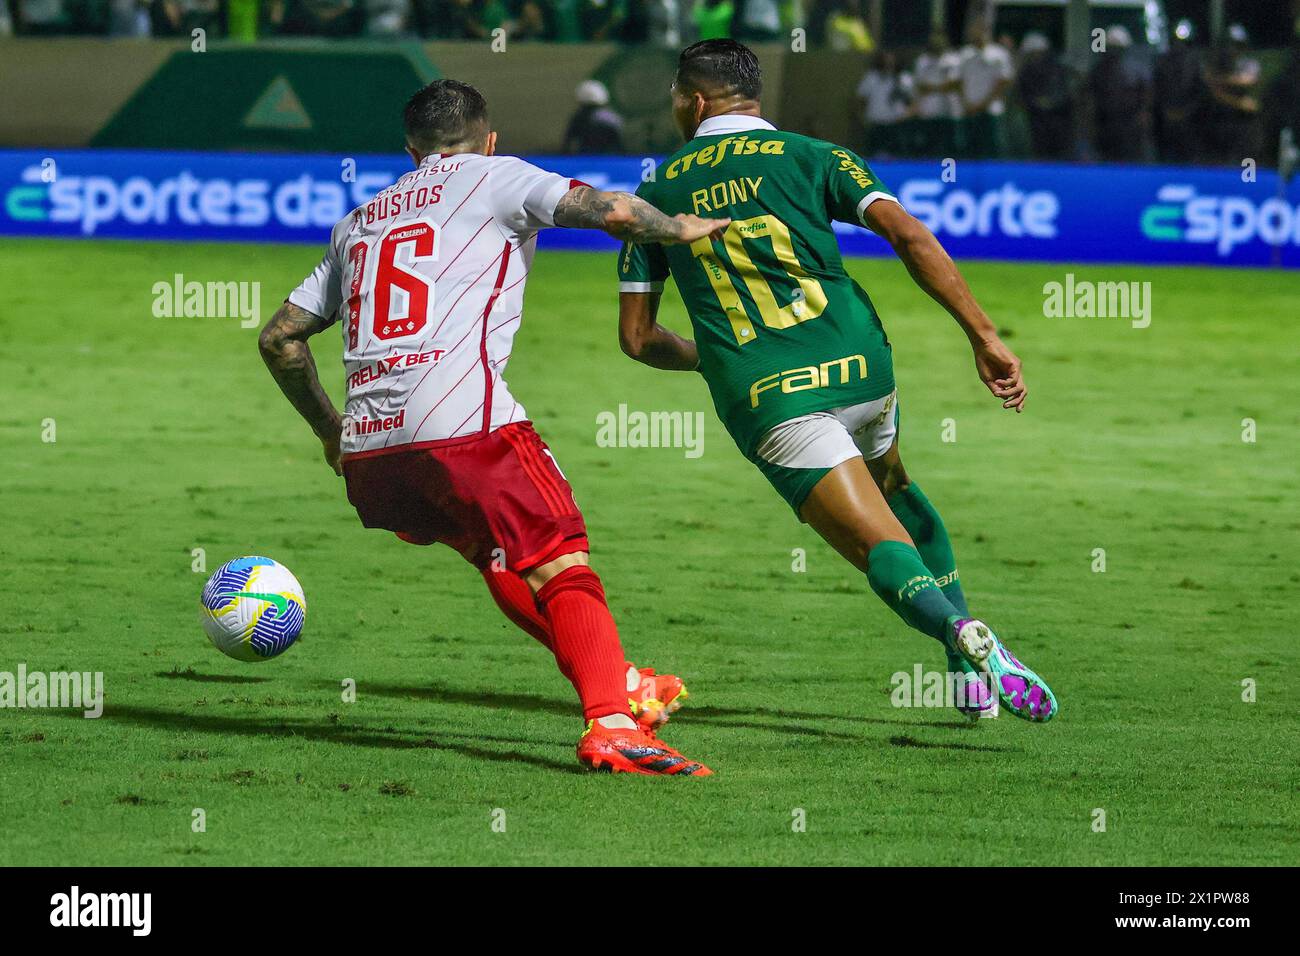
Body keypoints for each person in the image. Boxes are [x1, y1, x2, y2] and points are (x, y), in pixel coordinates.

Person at [259, 79, 727, 774]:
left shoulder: (359, 219)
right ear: (489, 138)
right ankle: (613, 725)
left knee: (498, 556)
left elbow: (281, 340)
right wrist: (683, 228)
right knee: (563, 561)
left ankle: (620, 683)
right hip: (464, 428)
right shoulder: (499, 175)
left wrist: (333, 432)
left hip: (373, 453)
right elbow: (613, 209)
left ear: (411, 150)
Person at [616, 39, 1057, 724]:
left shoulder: (654, 195)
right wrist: (985, 337)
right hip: (863, 368)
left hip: (774, 399)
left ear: (693, 101)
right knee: (898, 489)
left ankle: (959, 633)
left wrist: (712, 357)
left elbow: (638, 340)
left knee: (874, 543)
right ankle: (965, 670)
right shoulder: (815, 155)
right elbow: (909, 235)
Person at [1089, 25, 1152, 162]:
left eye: (1117, 48)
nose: (1114, 52)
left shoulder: (1138, 69)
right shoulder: (1098, 70)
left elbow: (1147, 94)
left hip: (1131, 125)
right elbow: (1091, 97)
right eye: (1111, 47)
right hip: (1105, 124)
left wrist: (1143, 114)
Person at [956, 19, 1014, 157]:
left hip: (991, 110)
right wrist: (965, 103)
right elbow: (959, 81)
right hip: (970, 110)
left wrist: (984, 104)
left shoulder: (999, 54)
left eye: (981, 30)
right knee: (969, 150)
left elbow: (1003, 82)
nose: (977, 33)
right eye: (974, 30)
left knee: (993, 149)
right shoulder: (965, 55)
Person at [1154, 19, 1206, 164]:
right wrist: (1166, 111)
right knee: (1165, 158)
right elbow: (1156, 90)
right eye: (1177, 41)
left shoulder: (1196, 64)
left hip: (1189, 121)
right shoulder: (1162, 62)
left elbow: (1200, 93)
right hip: (1165, 120)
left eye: (1184, 42)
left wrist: (1185, 112)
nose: (1180, 46)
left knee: (1188, 158)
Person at [1017, 32, 1075, 161]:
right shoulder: (1027, 71)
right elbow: (1023, 96)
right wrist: (1036, 103)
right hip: (1038, 122)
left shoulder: (1057, 70)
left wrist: (1050, 102)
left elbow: (1065, 94)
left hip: (1058, 123)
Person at [562, 80, 625, 153]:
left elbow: (568, 143)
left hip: (595, 157)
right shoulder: (612, 118)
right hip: (604, 158)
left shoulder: (579, 118)